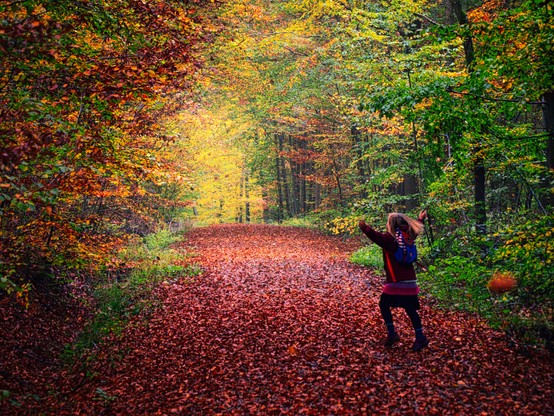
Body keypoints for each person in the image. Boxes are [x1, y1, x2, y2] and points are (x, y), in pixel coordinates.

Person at [358, 210, 429, 351]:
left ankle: (392, 334)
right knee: (409, 309)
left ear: (391, 225)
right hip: (410, 281)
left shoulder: (390, 239)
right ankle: (420, 337)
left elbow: (376, 237)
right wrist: (420, 219)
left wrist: (366, 229)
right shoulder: (409, 235)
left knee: (384, 305)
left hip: (396, 280)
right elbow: (416, 226)